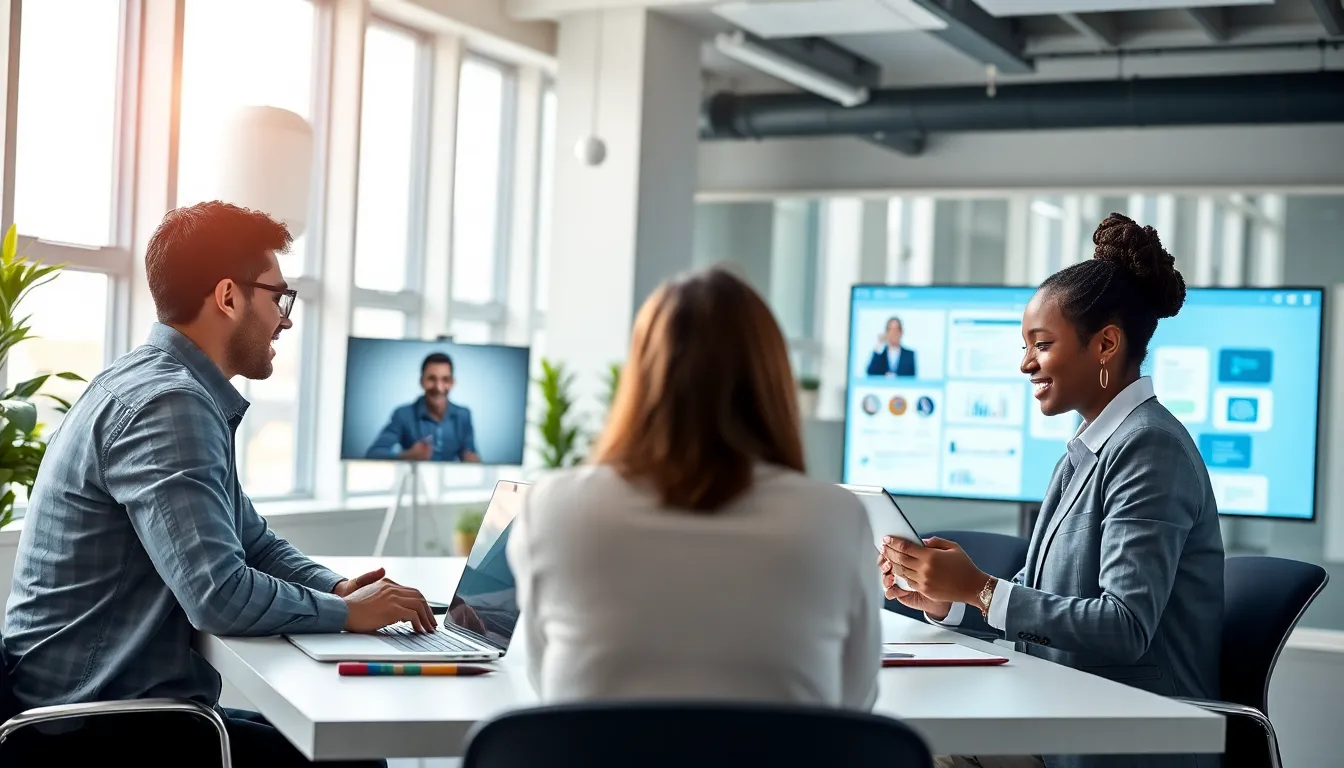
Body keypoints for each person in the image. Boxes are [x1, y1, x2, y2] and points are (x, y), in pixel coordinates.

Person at [1, 202, 436, 768]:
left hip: (98, 709)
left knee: (332, 742)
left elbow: (251, 540)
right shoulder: (170, 405)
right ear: (229, 297)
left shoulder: (160, 385)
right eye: (278, 297)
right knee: (352, 755)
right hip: (91, 731)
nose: (285, 319)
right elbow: (219, 596)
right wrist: (350, 616)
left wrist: (338, 590)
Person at [879, 214, 1224, 768]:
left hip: (1124, 737)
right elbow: (1050, 596)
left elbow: (1123, 625)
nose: (1025, 363)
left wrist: (984, 589)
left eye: (1041, 344)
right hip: (1064, 713)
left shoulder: (1150, 449)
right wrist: (955, 597)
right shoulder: (1094, 447)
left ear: (1106, 343)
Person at [508, 266, 881, 709]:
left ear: (641, 377)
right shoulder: (833, 517)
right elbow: (854, 702)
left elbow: (548, 687)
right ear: (771, 379)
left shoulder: (553, 508)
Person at [365, 352, 480, 462]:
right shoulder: (403, 414)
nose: (439, 387)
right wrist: (408, 456)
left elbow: (470, 453)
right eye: (431, 379)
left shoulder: (463, 415)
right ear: (421, 381)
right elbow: (373, 454)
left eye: (445, 380)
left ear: (452, 382)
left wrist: (471, 458)